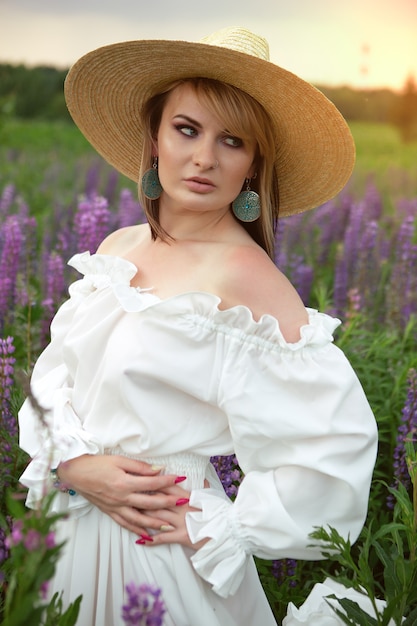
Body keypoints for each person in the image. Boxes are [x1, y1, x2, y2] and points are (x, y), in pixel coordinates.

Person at [18, 26, 378, 626]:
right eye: (187, 130)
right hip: (73, 521)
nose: (205, 157)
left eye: (232, 141)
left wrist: (225, 526)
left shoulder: (245, 275)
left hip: (157, 545)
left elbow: (331, 445)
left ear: (254, 164)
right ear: (155, 139)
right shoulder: (119, 245)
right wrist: (71, 464)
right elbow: (56, 378)